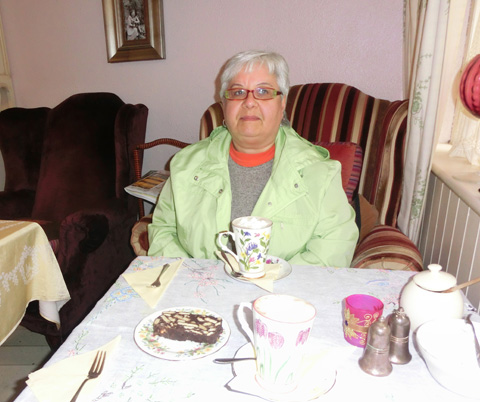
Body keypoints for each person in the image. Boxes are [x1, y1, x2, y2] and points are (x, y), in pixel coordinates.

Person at [147, 50, 358, 267]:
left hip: (287, 288)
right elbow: (163, 231)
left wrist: (271, 281)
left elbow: (334, 246)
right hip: (196, 285)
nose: (249, 102)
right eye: (238, 92)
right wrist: (198, 279)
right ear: (223, 105)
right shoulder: (185, 165)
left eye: (263, 91)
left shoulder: (320, 172)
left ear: (282, 103)